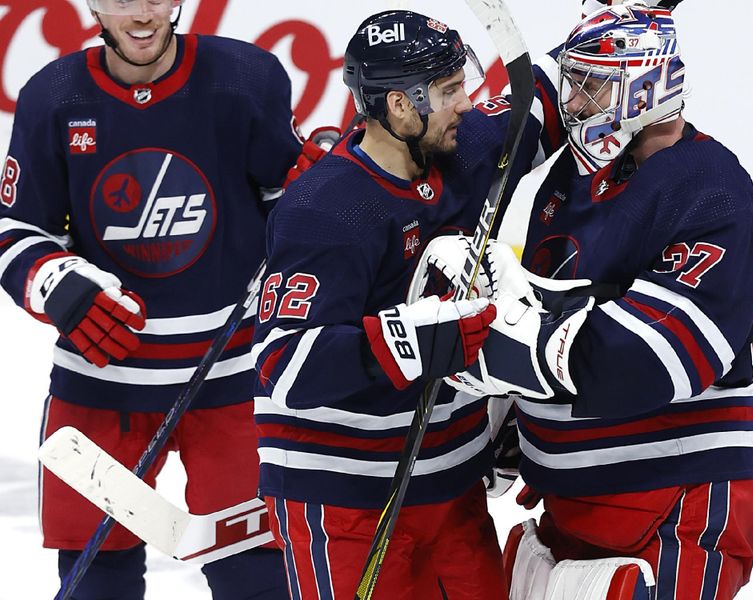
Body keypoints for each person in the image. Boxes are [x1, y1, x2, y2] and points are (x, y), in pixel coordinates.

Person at [424, 3, 753, 599]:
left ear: (642, 90)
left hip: (676, 503)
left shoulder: (707, 189)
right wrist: (513, 421)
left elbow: (650, 358)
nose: (572, 105)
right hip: (575, 507)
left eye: (589, 86)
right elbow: (551, 304)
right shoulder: (577, 177)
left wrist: (500, 354)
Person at [248, 8, 569, 598]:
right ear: (400, 105)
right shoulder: (325, 209)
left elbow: (542, 98)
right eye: (450, 92)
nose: (468, 105)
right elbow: (284, 367)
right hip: (345, 502)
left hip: (451, 489)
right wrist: (410, 341)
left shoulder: (461, 149)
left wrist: (627, 15)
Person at [0, 0, 303, 598]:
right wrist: (54, 283)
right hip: (99, 383)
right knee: (96, 585)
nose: (140, 13)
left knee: (258, 579)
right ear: (92, 4)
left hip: (232, 380)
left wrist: (318, 196)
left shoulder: (246, 79)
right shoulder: (53, 96)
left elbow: (288, 218)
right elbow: (16, 229)